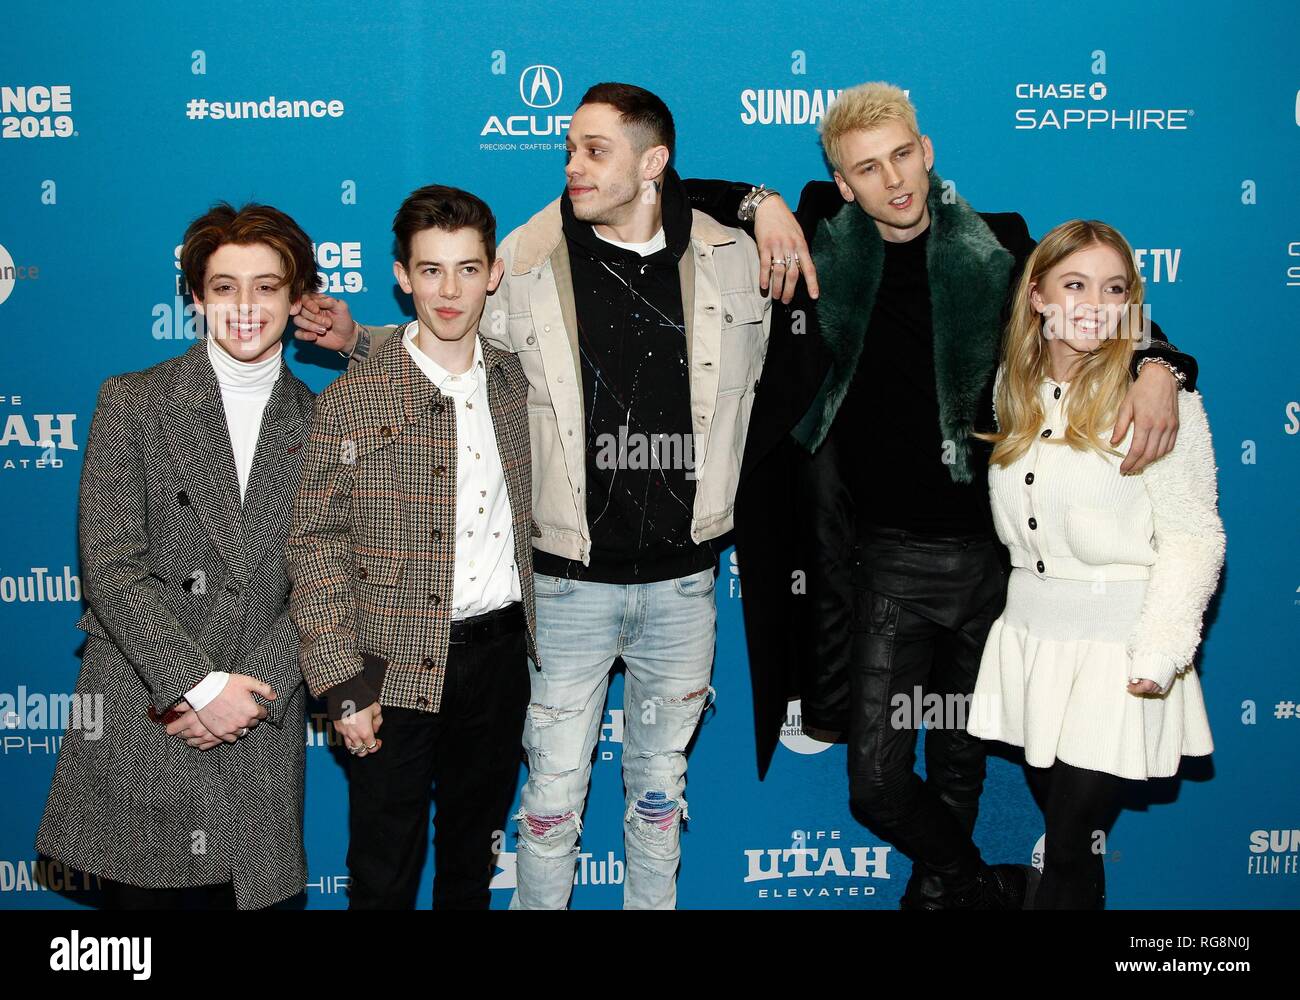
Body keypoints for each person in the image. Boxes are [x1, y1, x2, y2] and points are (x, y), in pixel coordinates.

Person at [684, 81, 1202, 908]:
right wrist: (760, 202)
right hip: (887, 564)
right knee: (877, 781)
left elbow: (1095, 305)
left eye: (902, 155)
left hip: (1001, 573)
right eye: (867, 168)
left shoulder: (998, 247)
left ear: (926, 154)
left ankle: (935, 902)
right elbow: (662, 187)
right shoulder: (821, 236)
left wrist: (1161, 365)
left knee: (959, 765)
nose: (893, 180)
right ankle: (977, 884)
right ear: (843, 184)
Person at [293, 84, 773, 910]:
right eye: (569, 147)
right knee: (540, 808)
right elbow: (446, 332)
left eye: (595, 150)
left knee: (659, 797)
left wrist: (763, 201)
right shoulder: (532, 255)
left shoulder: (735, 257)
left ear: (653, 163)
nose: (572, 166)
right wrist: (359, 341)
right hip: (563, 589)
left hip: (684, 585)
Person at [36, 202, 318, 909]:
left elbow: (326, 578)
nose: (245, 307)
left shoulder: (323, 423)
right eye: (224, 287)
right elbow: (111, 565)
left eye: (266, 286)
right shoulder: (134, 402)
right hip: (148, 712)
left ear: (296, 297)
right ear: (195, 297)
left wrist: (249, 695)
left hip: (258, 719)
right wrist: (196, 686)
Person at [287, 185, 536, 909]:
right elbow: (314, 544)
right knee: (383, 869)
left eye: (466, 269)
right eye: (430, 270)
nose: (449, 290)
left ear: (493, 273)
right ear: (401, 276)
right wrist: (341, 682)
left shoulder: (520, 382)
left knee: (471, 860)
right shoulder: (352, 399)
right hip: (387, 663)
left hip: (499, 660)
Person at [967, 219, 1224, 909]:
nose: (1091, 303)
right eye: (1073, 284)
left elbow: (1195, 533)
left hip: (1121, 646)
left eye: (1112, 289)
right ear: (1038, 298)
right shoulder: (1010, 391)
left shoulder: (1160, 399)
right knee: (1065, 833)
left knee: (1074, 836)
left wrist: (1162, 650)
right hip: (1035, 642)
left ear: (1131, 306)